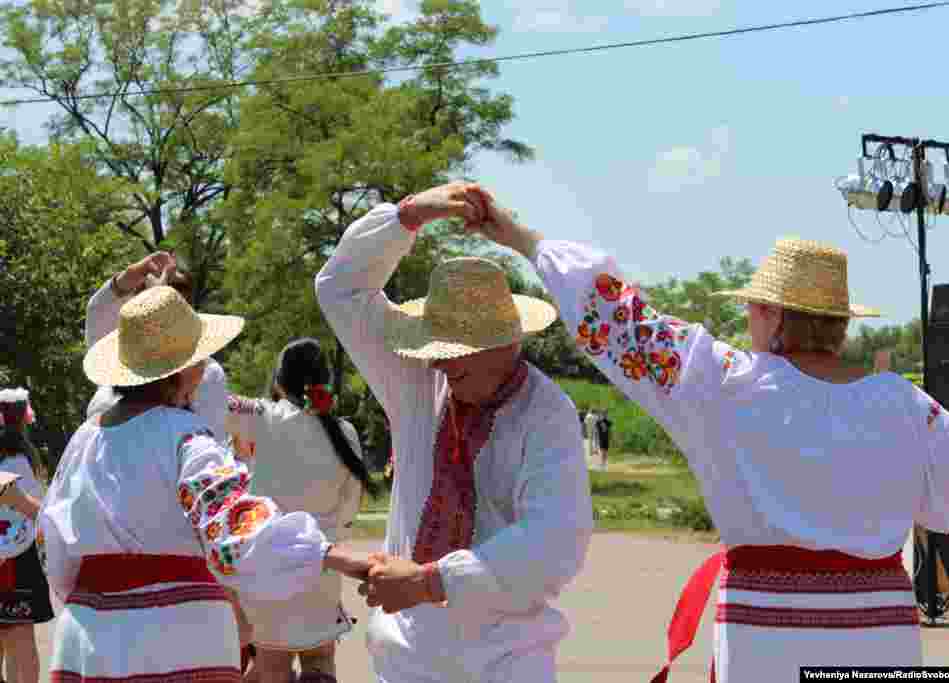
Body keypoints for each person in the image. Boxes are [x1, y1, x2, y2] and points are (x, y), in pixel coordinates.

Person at [466, 189, 949, 682]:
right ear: (839, 323)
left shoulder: (721, 383)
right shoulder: (903, 405)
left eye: (754, 307)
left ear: (772, 314)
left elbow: (615, 321)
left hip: (764, 641)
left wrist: (522, 236)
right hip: (875, 637)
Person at [315, 183, 593, 683]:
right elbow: (340, 289)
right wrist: (406, 217)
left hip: (505, 667)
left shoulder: (546, 414)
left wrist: (430, 581)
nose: (441, 359)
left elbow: (553, 542)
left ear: (505, 342)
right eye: (435, 343)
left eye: (455, 346)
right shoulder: (420, 381)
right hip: (406, 662)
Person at [36, 285, 375, 682]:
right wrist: (331, 555)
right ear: (184, 371)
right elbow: (230, 519)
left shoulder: (84, 438)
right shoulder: (186, 436)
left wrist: (96, 598)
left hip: (87, 635)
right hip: (177, 632)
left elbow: (51, 539)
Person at [225, 337, 379, 683]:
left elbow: (213, 401)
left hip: (269, 568)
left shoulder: (262, 415)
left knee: (273, 666)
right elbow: (349, 506)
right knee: (320, 661)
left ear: (279, 381)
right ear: (324, 382)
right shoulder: (346, 432)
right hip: (323, 566)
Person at [85, 251, 229, 443]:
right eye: (153, 302)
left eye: (171, 303)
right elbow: (98, 311)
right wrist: (127, 277)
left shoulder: (207, 373)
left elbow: (211, 447)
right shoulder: (124, 355)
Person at [0, 388, 53, 683]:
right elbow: (38, 513)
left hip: (8, 560)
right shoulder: (22, 460)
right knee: (21, 640)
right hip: (18, 558)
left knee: (7, 642)